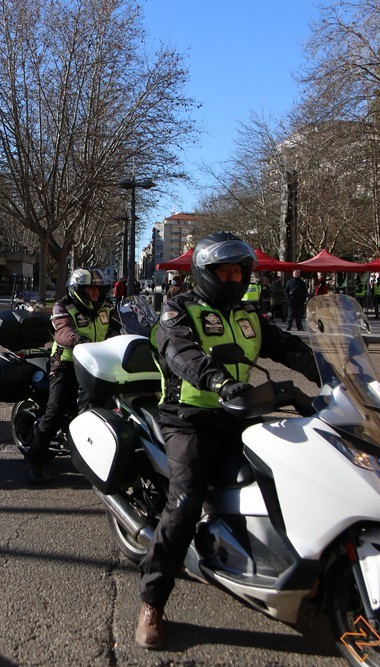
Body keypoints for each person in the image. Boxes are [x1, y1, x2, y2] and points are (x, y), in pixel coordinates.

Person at [135, 232, 319, 650]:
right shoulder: (178, 309)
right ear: (205, 273)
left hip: (241, 413)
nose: (234, 278)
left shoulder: (249, 313)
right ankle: (152, 602)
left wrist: (325, 367)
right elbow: (180, 352)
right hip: (190, 420)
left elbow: (286, 346)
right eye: (226, 271)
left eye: (240, 270)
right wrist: (216, 380)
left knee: (294, 470)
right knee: (183, 504)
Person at [27, 268, 121, 485]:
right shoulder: (63, 306)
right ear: (78, 290)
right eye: (91, 289)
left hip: (98, 362)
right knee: (55, 411)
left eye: (98, 289)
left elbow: (118, 327)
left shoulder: (106, 307)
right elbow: (62, 331)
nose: (96, 293)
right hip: (66, 363)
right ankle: (35, 461)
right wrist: (81, 342)